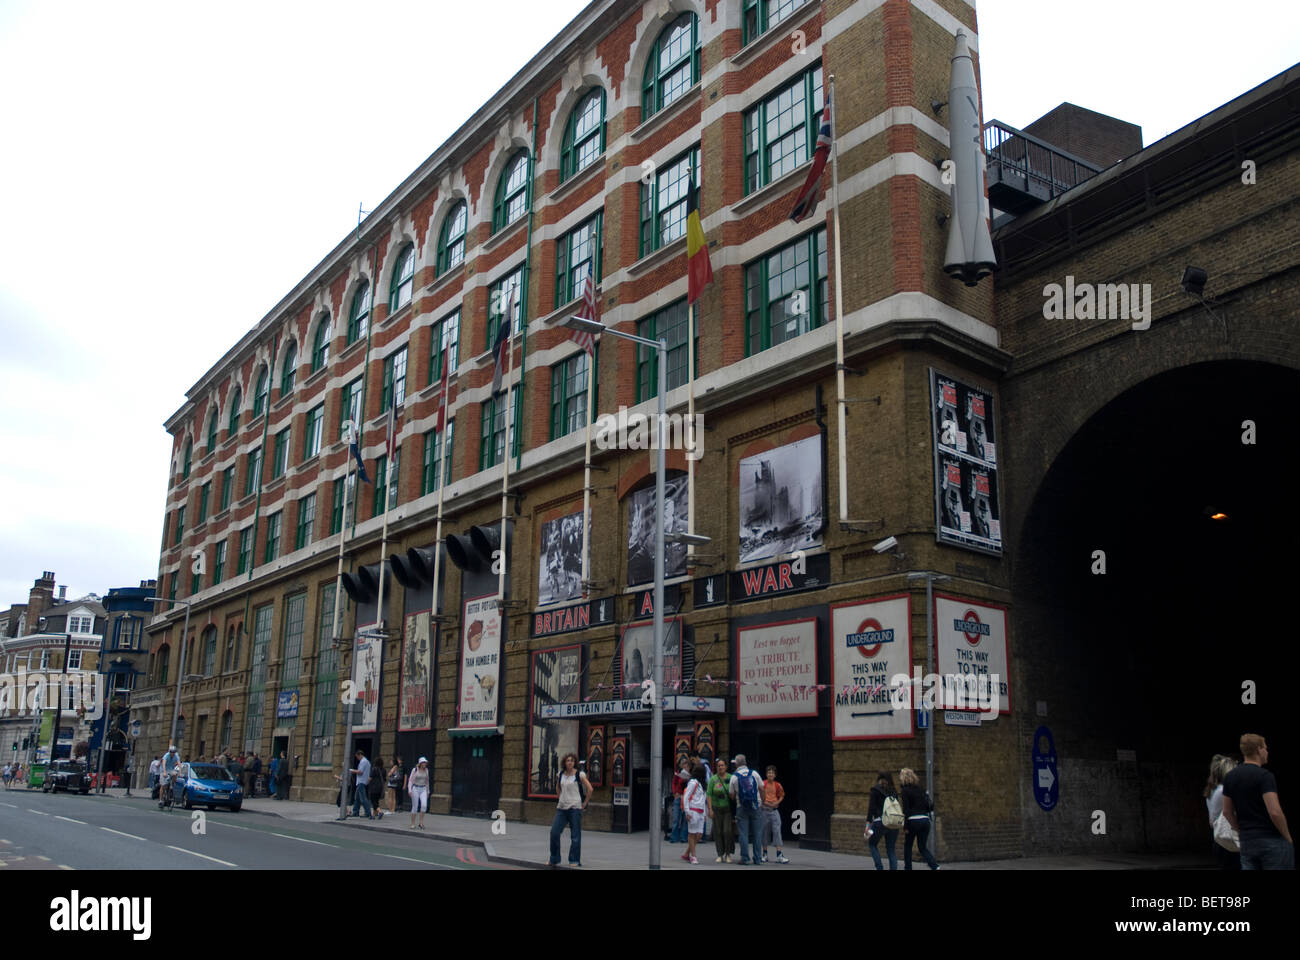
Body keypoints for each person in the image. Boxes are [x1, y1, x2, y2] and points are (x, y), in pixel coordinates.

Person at [1222, 733, 1293, 870]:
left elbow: (1226, 811)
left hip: (1247, 841)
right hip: (1271, 840)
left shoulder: (1230, 777)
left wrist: (1241, 830)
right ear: (1259, 750)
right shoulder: (1265, 776)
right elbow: (1274, 811)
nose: (1267, 752)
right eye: (1265, 748)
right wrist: (1287, 837)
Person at [548, 753, 591, 867]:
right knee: (554, 833)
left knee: (575, 836)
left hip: (575, 808)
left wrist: (584, 803)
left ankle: (574, 860)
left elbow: (590, 789)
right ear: (564, 763)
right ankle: (554, 859)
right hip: (561, 809)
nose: (570, 762)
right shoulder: (561, 774)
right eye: (568, 760)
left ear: (574, 762)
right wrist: (560, 798)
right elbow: (558, 787)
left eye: (572, 760)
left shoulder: (579, 775)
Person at [899, 768, 940, 870]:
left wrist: (905, 826)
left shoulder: (905, 791)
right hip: (925, 821)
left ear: (903, 778)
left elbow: (906, 810)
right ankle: (935, 866)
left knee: (908, 846)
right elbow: (928, 805)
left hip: (913, 821)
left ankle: (908, 868)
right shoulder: (920, 789)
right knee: (922, 847)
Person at [1204, 754, 1240, 870]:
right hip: (1229, 840)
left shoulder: (1213, 790)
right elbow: (1226, 813)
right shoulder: (1224, 791)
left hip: (1220, 839)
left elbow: (1212, 820)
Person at [729, 754, 765, 865]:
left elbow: (731, 795)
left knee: (743, 834)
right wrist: (762, 802)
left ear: (736, 764)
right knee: (757, 833)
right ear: (745, 762)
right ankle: (758, 858)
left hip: (742, 807)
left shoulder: (734, 777)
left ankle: (745, 858)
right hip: (756, 806)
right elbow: (762, 788)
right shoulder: (754, 774)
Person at [866, 771, 901, 870]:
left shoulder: (875, 790)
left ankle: (879, 868)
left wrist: (867, 826)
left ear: (879, 779)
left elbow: (871, 809)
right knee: (891, 850)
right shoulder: (894, 791)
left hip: (880, 822)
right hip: (893, 822)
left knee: (872, 844)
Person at [760, 765, 789, 863]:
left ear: (775, 775)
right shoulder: (763, 784)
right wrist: (766, 803)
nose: (770, 774)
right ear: (766, 774)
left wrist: (777, 802)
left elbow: (781, 795)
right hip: (765, 810)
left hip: (774, 811)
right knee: (764, 832)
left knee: (777, 831)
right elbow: (759, 797)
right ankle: (764, 854)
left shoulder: (778, 785)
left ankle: (779, 855)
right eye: (769, 772)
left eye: (772, 773)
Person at [681, 764, 709, 864]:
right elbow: (686, 797)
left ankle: (686, 853)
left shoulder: (703, 784)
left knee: (699, 834)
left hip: (701, 812)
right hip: (693, 810)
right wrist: (687, 811)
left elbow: (704, 800)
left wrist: (705, 814)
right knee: (692, 833)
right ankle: (693, 856)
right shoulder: (693, 783)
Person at [707, 758, 734, 863]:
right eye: (719, 765)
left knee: (727, 831)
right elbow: (709, 794)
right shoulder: (713, 779)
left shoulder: (731, 778)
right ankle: (720, 854)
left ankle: (728, 854)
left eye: (722, 765)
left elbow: (736, 791)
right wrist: (710, 809)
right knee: (718, 832)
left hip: (728, 809)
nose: (720, 767)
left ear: (726, 767)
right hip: (716, 809)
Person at [349, 750, 375, 819]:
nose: (357, 758)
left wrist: (351, 770)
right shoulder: (367, 762)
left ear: (360, 755)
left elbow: (360, 772)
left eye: (357, 756)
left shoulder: (363, 762)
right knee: (357, 798)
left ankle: (368, 812)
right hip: (362, 782)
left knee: (363, 798)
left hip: (361, 782)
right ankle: (355, 812)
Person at [669, 759, 690, 843]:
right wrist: (674, 793)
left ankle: (683, 837)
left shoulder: (691, 775)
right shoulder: (678, 774)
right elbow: (674, 783)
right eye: (683, 765)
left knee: (685, 819)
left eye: (687, 765)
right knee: (676, 818)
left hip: (686, 797)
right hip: (678, 796)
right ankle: (674, 837)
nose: (685, 766)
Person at [407, 757, 430, 829]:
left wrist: (428, 791)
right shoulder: (415, 770)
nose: (425, 764)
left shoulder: (426, 770)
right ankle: (413, 823)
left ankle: (421, 822)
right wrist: (409, 790)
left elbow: (427, 781)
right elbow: (410, 780)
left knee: (424, 805)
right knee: (415, 807)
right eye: (423, 762)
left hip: (423, 788)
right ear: (420, 763)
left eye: (425, 762)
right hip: (415, 788)